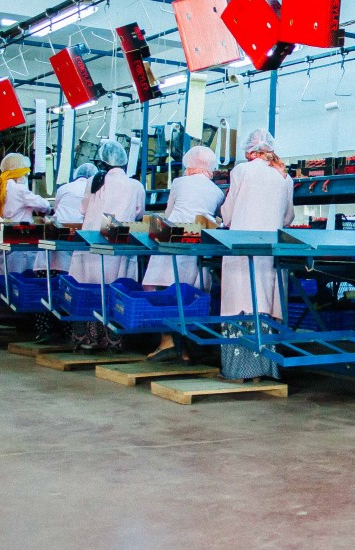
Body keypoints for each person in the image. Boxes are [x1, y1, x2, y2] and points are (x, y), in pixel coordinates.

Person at [219, 130, 294, 381]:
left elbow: (227, 214)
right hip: (270, 254)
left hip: (241, 251)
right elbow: (288, 217)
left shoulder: (241, 171)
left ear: (250, 151)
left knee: (240, 304)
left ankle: (237, 372)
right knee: (263, 305)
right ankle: (263, 369)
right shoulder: (283, 176)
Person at [143, 146, 225, 362]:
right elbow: (218, 219)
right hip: (198, 247)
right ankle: (187, 348)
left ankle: (168, 342)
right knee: (189, 298)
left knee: (164, 294)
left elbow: (168, 213)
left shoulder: (179, 183)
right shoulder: (217, 192)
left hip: (172, 241)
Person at [68, 141, 146, 351]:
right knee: (116, 292)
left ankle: (87, 338)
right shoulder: (135, 185)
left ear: (102, 161)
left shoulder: (95, 181)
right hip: (118, 243)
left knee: (88, 290)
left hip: (92, 241)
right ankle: (113, 339)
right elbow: (139, 213)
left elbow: (83, 209)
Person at [0, 153, 52, 276]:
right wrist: (45, 211)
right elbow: (44, 205)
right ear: (18, 173)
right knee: (17, 279)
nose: (25, 177)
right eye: (25, 174)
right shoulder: (19, 189)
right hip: (18, 238)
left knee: (0, 278)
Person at [33, 162, 97, 275]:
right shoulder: (94, 190)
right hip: (80, 234)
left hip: (56, 232)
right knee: (74, 273)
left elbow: (56, 208)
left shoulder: (64, 188)